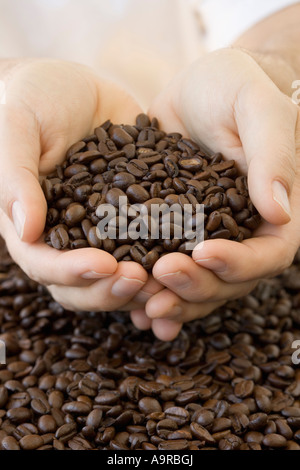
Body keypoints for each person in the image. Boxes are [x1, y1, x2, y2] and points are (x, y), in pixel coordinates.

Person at [0, 0, 299, 341]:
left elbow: (284, 17)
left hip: (215, 124)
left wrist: (270, 76)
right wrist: (9, 89)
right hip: (42, 144)